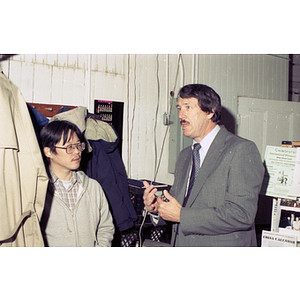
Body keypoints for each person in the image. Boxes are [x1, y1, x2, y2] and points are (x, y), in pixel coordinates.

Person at [143, 84, 264, 247]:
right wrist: (157, 208)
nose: (181, 115)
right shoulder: (185, 156)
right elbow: (179, 208)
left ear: (211, 111)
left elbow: (241, 214)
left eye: (188, 107)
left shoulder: (241, 150)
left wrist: (181, 215)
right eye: (179, 108)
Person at [40, 120, 114, 246]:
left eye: (79, 145)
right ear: (49, 152)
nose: (77, 152)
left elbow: (105, 228)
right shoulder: (39, 189)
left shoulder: (92, 187)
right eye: (69, 147)